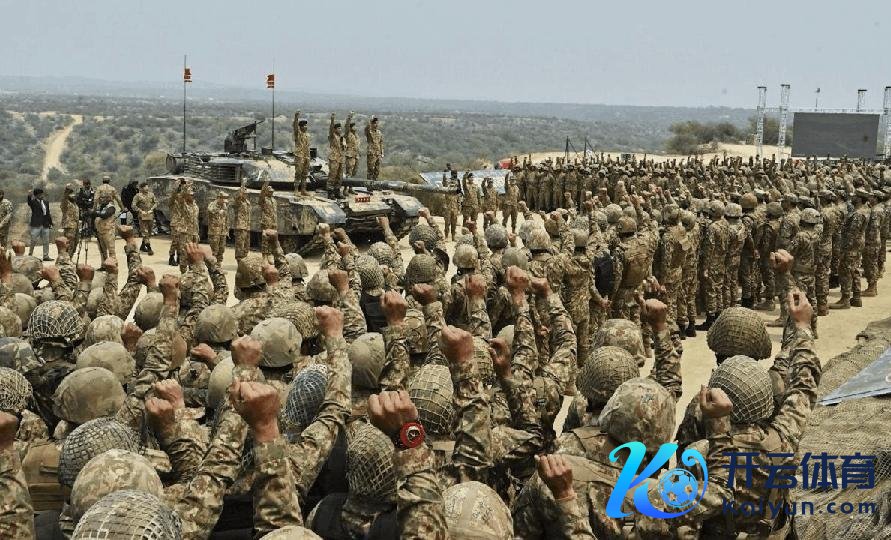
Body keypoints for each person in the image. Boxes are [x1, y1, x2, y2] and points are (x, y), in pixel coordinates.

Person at [27, 188, 53, 261]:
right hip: (36, 224)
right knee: (33, 240)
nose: (42, 195)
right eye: (40, 194)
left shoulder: (46, 202)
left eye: (42, 194)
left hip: (45, 224)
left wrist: (50, 223)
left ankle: (46, 256)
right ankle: (30, 254)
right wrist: (29, 196)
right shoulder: (33, 202)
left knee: (46, 241)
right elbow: (29, 202)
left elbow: (48, 213)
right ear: (36, 195)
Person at [131, 182, 157, 255]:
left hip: (150, 215)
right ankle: (149, 248)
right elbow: (133, 205)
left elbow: (156, 203)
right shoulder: (137, 196)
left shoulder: (151, 195)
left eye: (147, 186)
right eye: (145, 187)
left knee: (149, 232)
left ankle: (142, 246)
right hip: (142, 216)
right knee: (145, 232)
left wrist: (152, 209)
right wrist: (140, 211)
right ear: (142, 188)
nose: (147, 188)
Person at [293, 110, 311, 196]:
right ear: (300, 127)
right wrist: (296, 117)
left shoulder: (307, 135)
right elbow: (295, 127)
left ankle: (303, 190)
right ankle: (296, 189)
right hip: (299, 156)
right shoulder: (298, 134)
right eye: (304, 126)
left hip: (306, 156)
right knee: (298, 173)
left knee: (305, 174)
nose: (306, 127)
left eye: (306, 125)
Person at [328, 113, 345, 198]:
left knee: (339, 176)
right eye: (338, 128)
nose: (340, 130)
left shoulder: (342, 138)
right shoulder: (332, 136)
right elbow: (331, 129)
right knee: (332, 176)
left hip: (341, 159)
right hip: (334, 158)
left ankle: (337, 191)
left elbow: (343, 148)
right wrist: (332, 120)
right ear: (335, 129)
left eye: (341, 128)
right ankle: (330, 192)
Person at [365, 115, 383, 180]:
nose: (376, 124)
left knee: (377, 170)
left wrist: (382, 152)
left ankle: (375, 182)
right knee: (370, 169)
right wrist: (370, 121)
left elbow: (381, 142)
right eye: (374, 123)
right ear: (372, 124)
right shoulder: (369, 132)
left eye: (377, 123)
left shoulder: (379, 132)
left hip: (378, 153)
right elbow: (366, 128)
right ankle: (369, 184)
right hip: (371, 153)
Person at [344, 112, 359, 177]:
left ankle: (351, 182)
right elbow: (347, 126)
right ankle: (347, 183)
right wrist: (349, 117)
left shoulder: (356, 135)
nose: (355, 128)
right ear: (350, 128)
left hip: (356, 155)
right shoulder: (348, 134)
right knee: (349, 171)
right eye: (354, 126)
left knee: (354, 171)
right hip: (350, 155)